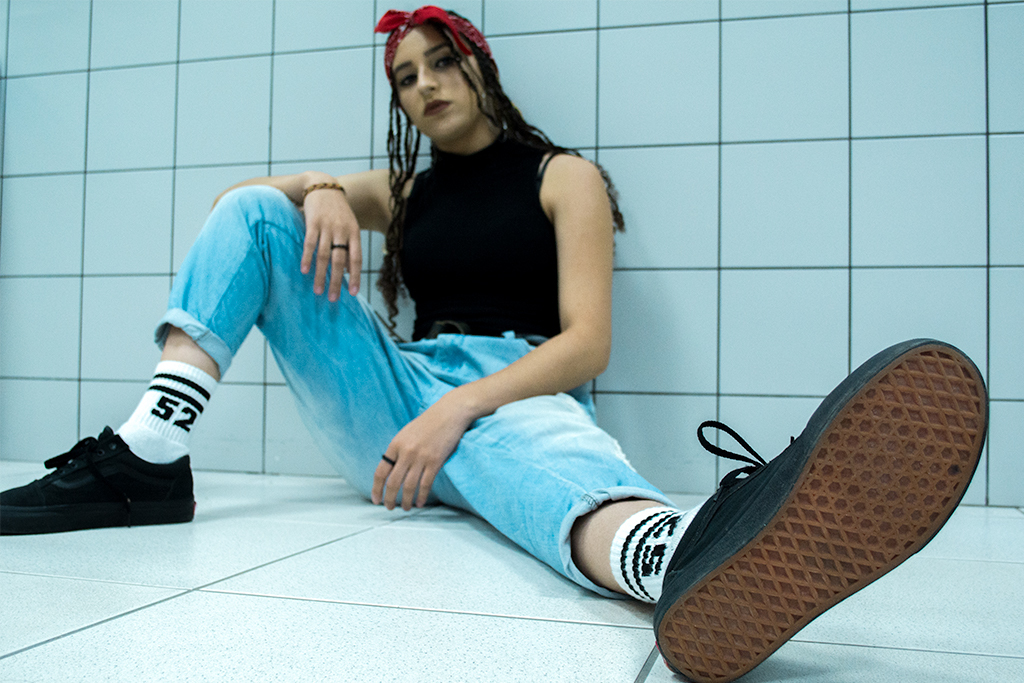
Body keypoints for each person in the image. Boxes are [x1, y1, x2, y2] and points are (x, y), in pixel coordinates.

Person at [0, 7, 988, 682]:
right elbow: (234, 210)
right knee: (262, 211)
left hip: (515, 387)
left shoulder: (563, 177)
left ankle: (681, 557)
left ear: (481, 66)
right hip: (400, 394)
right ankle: (150, 452)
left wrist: (460, 407)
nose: (425, 85)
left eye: (441, 61)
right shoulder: (407, 190)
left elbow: (588, 343)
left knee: (542, 468)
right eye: (405, 78)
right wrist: (326, 187)